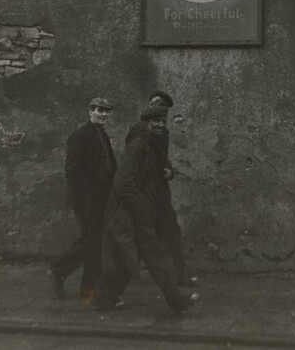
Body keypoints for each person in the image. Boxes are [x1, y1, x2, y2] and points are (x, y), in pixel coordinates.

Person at [92, 105, 199, 313]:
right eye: (155, 121)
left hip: (139, 213)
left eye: (162, 121)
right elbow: (122, 182)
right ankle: (176, 300)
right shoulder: (138, 145)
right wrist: (141, 208)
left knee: (131, 258)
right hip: (128, 213)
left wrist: (167, 171)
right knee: (151, 256)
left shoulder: (151, 144)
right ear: (145, 123)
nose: (159, 124)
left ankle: (105, 298)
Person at [124, 90, 197, 288]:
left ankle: (178, 277)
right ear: (148, 105)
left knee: (171, 233)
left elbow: (163, 158)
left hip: (160, 194)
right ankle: (112, 286)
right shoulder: (138, 132)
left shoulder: (162, 132)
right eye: (155, 103)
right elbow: (131, 164)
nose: (159, 109)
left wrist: (169, 170)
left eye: (163, 108)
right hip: (144, 194)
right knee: (139, 239)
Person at [49, 97, 117, 304]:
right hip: (87, 199)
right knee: (91, 241)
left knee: (95, 243)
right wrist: (91, 191)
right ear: (90, 112)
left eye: (106, 111)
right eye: (99, 110)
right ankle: (61, 270)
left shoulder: (102, 136)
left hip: (101, 198)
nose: (103, 114)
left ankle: (86, 288)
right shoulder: (80, 136)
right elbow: (72, 170)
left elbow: (107, 165)